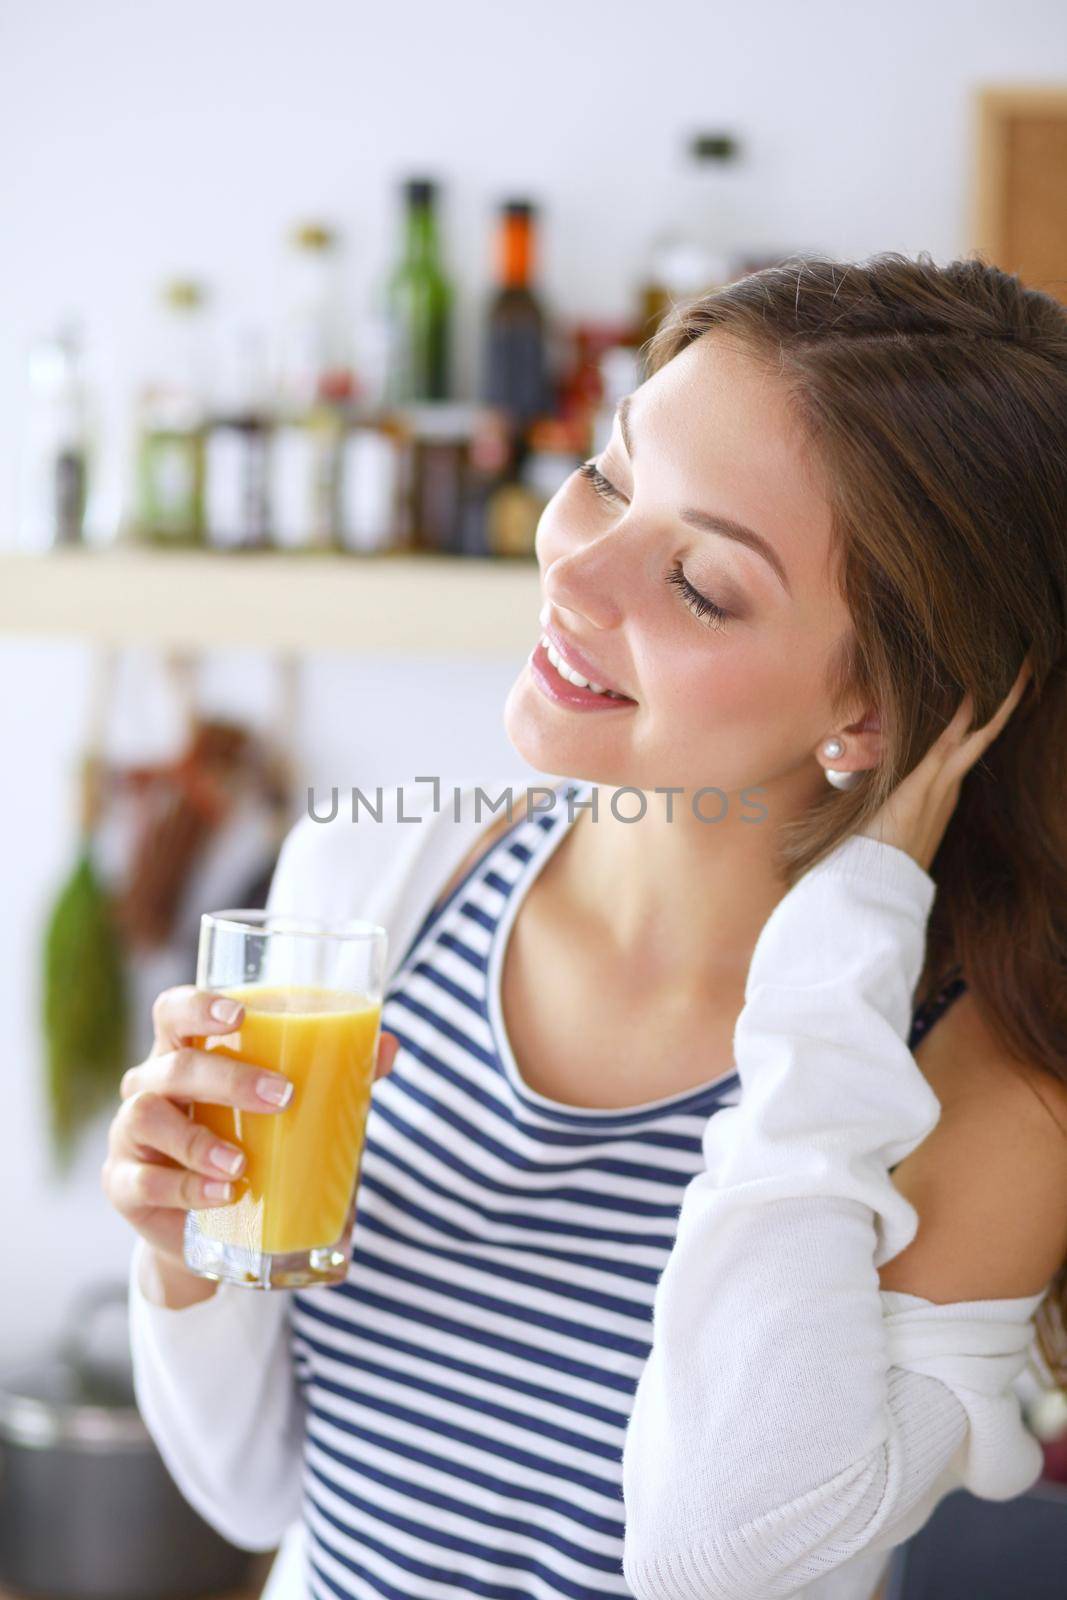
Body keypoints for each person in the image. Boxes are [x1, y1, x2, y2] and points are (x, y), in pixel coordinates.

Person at [104, 251, 1067, 1600]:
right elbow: (258, 1490)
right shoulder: (380, 875)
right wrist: (186, 1258)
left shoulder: (973, 1100)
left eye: (702, 584)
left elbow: (714, 1562)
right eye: (612, 475)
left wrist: (852, 928)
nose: (577, 572)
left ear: (874, 713)